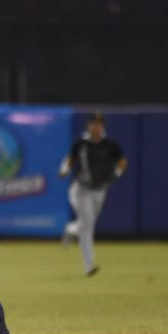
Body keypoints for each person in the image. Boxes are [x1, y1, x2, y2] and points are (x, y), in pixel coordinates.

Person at [59, 112, 127, 276]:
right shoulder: (82, 143)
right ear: (88, 125)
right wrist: (64, 169)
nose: (95, 127)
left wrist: (117, 172)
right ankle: (89, 265)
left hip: (100, 190)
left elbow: (122, 160)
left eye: (98, 124)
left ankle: (71, 229)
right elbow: (70, 158)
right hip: (81, 189)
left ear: (102, 126)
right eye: (92, 123)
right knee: (88, 225)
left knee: (86, 223)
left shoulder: (109, 144)